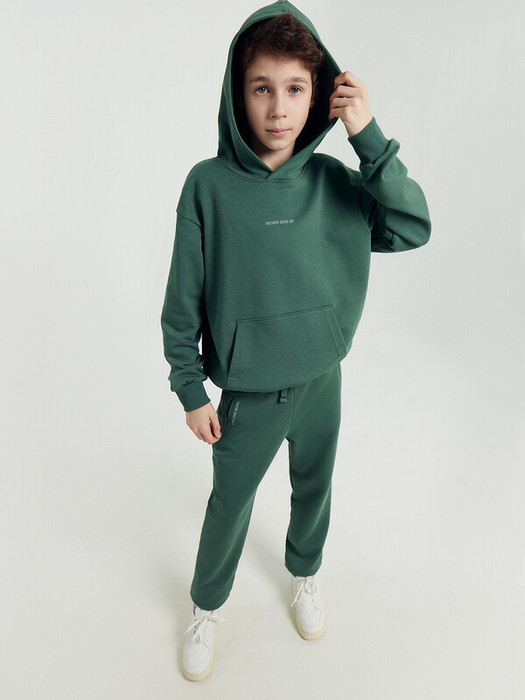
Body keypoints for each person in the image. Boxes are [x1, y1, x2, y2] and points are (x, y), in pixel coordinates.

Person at [161, 0, 431, 682]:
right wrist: (190, 389)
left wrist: (369, 138)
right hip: (247, 392)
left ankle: (304, 573)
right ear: (238, 94)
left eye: (294, 89)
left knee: (314, 487)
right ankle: (207, 605)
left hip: (320, 379)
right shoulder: (207, 187)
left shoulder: (336, 182)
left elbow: (410, 227)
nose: (278, 109)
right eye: (261, 88)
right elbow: (181, 302)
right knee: (229, 505)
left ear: (317, 96)